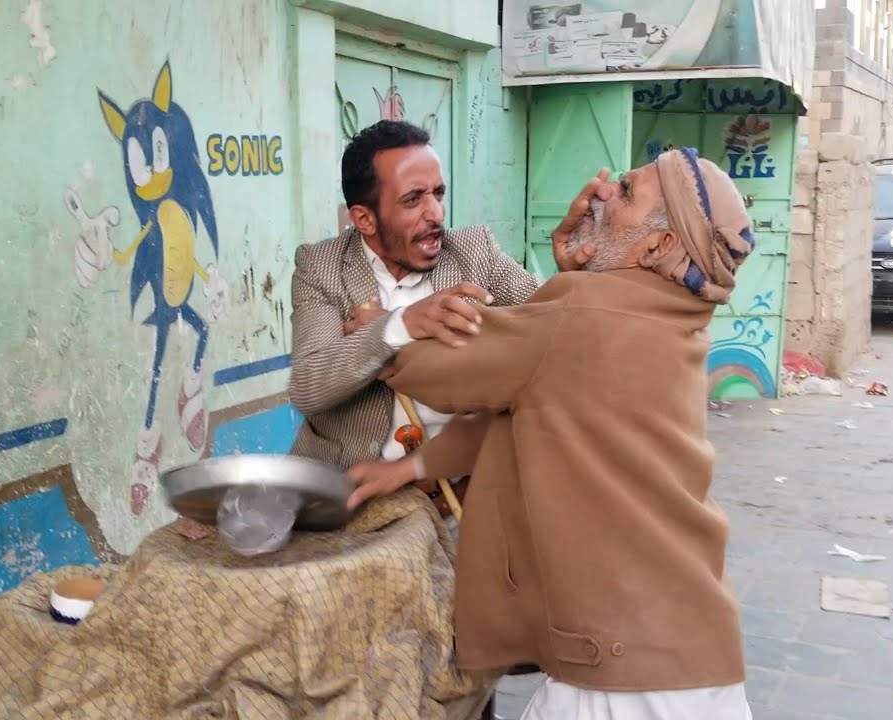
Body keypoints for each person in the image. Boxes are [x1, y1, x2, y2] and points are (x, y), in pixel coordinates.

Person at [347, 147, 755, 719]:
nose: (602, 192)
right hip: (687, 642)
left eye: (628, 193)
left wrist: (384, 331)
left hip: (627, 666)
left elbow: (453, 374)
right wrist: (408, 469)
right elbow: (533, 394)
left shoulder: (585, 313)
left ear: (659, 246)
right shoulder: (668, 315)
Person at [287, 119, 605, 518]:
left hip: (461, 503)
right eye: (413, 199)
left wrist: (570, 276)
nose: (435, 213)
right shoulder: (321, 267)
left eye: (438, 193)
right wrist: (398, 326)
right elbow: (308, 387)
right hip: (351, 505)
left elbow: (554, 333)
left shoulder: (475, 252)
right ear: (364, 219)